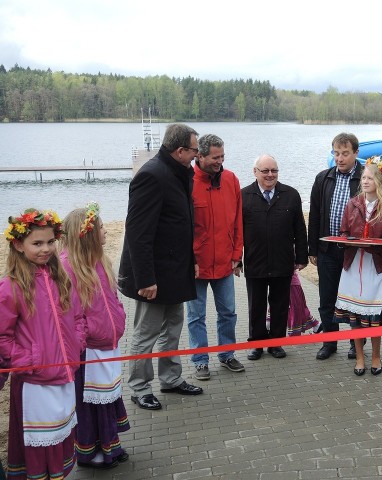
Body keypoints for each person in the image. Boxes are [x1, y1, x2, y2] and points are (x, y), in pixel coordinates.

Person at [119, 123, 203, 411]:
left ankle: (171, 378)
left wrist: (190, 262)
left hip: (175, 270)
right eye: (194, 150)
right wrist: (145, 278)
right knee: (146, 334)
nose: (197, 155)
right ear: (180, 150)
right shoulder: (151, 176)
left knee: (172, 329)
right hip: (153, 275)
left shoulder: (180, 173)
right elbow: (137, 233)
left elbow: (181, 226)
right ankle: (139, 388)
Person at [0, 209, 86, 479]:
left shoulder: (63, 279)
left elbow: (79, 316)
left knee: (62, 438)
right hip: (34, 384)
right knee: (39, 448)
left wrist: (77, 343)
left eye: (50, 242)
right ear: (18, 244)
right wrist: (30, 360)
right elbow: (2, 337)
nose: (46, 249)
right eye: (37, 243)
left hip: (64, 376)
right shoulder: (10, 287)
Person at [60, 204, 130, 469]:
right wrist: (89, 335)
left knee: (109, 397)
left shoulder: (99, 261)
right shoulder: (69, 267)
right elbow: (73, 312)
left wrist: (119, 317)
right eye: (100, 227)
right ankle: (92, 452)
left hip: (106, 343)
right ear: (87, 233)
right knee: (90, 402)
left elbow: (112, 297)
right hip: (89, 349)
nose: (105, 231)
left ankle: (110, 444)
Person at [334, 156, 382, 376]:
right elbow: (344, 232)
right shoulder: (352, 204)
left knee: (375, 318)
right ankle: (360, 357)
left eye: (370, 178)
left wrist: (371, 245)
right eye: (363, 177)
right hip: (352, 266)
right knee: (355, 316)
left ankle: (377, 357)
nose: (365, 181)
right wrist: (347, 241)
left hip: (375, 268)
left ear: (380, 181)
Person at [187, 134, 245, 380]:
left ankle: (227, 354)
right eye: (215, 157)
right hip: (197, 265)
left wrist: (237, 254)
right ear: (199, 156)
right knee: (196, 316)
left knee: (228, 313)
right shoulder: (187, 181)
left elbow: (238, 222)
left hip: (224, 261)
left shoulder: (231, 180)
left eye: (222, 156)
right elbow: (181, 226)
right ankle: (200, 360)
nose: (220, 161)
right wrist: (188, 260)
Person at [242, 154, 308, 360]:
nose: (270, 175)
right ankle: (257, 344)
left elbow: (300, 229)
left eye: (274, 171)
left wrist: (302, 256)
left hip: (283, 261)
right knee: (256, 306)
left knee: (280, 305)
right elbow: (235, 232)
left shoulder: (291, 195)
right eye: (265, 171)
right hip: (255, 261)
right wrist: (235, 259)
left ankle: (276, 343)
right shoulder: (243, 196)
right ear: (255, 172)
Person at [308, 133, 364, 361]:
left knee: (353, 299)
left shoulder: (365, 178)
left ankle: (356, 343)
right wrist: (312, 248)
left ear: (356, 153)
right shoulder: (323, 178)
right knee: (327, 298)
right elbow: (314, 215)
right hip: (327, 251)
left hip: (355, 252)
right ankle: (329, 342)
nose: (340, 159)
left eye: (345, 153)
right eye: (336, 153)